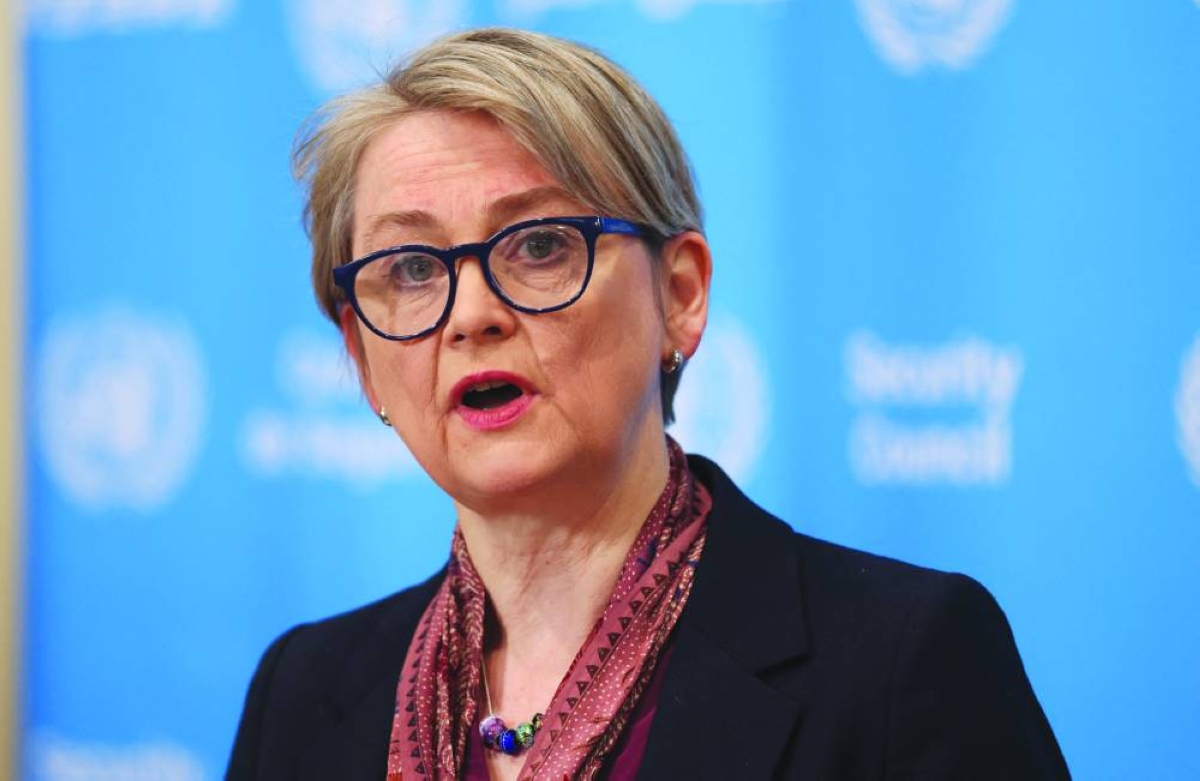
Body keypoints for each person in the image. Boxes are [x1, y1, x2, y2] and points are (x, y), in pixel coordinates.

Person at [227, 28, 1069, 781]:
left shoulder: (901, 661)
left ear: (680, 295)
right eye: (411, 268)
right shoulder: (301, 691)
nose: (472, 312)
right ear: (362, 361)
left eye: (540, 245)